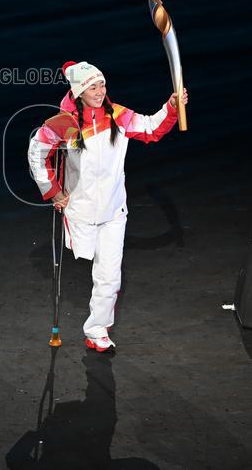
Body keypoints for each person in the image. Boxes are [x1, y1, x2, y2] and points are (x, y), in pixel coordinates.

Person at [28, 61, 188, 352]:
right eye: (92, 86)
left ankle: (97, 330)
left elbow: (151, 128)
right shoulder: (64, 124)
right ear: (78, 91)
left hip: (114, 211)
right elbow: (36, 153)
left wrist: (172, 106)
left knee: (109, 276)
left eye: (102, 84)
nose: (100, 91)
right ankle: (97, 327)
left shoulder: (118, 116)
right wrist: (52, 192)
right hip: (80, 211)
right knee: (89, 262)